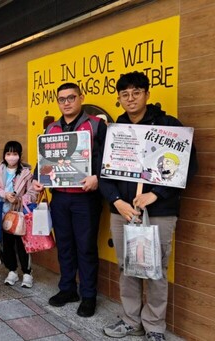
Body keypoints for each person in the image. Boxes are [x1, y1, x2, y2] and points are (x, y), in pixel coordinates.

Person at [100, 71, 198, 341]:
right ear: (119, 98)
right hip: (122, 212)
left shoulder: (169, 126)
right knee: (126, 266)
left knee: (155, 269)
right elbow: (103, 173)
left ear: (147, 94)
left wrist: (156, 194)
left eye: (136, 92)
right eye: (125, 94)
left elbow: (186, 167)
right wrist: (117, 201)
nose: (130, 98)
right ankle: (131, 320)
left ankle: (155, 327)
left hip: (159, 213)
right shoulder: (115, 131)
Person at [33, 82, 107, 317]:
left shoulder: (97, 126)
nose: (66, 102)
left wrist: (98, 177)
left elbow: (111, 160)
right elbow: (42, 160)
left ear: (81, 98)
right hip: (60, 198)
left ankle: (88, 296)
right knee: (64, 245)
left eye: (71, 97)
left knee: (85, 248)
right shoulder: (51, 129)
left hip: (86, 199)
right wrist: (37, 179)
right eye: (62, 99)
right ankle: (67, 289)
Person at [0, 141, 37, 287]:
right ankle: (12, 271)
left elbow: (33, 193)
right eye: (8, 154)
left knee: (22, 244)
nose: (11, 157)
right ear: (4, 155)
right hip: (4, 214)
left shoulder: (27, 172)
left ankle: (27, 273)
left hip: (20, 214)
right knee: (7, 243)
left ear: (19, 155)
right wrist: (5, 195)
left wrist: (20, 199)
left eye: (14, 154)